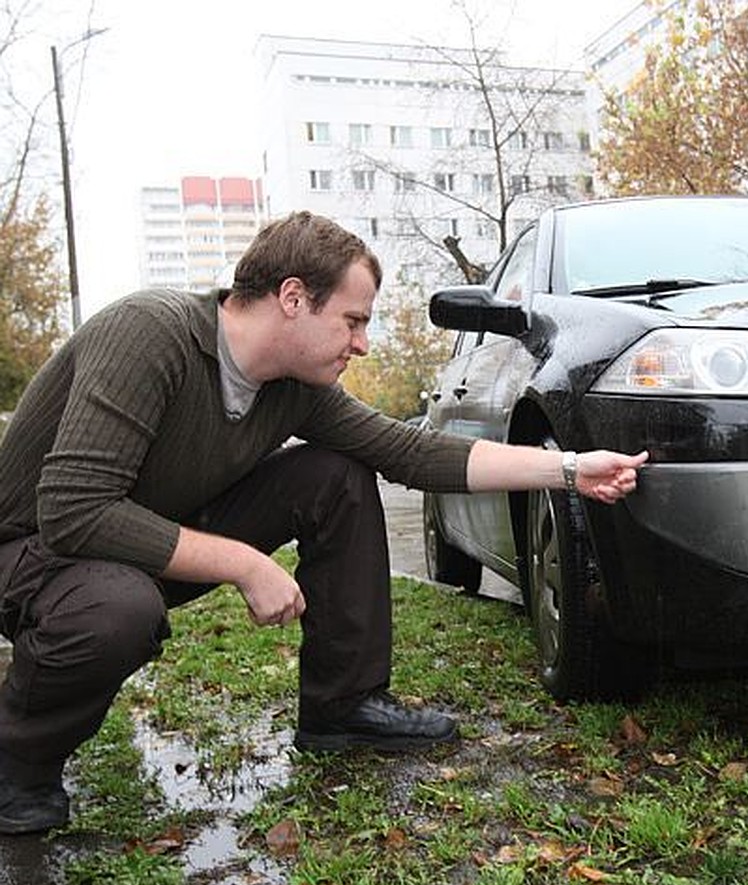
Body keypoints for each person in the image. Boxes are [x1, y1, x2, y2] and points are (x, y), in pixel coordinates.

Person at [0, 211, 647, 835]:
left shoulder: (292, 389)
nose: (362, 344)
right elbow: (73, 510)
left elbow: (411, 452)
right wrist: (245, 563)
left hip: (140, 541)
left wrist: (569, 468)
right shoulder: (150, 333)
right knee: (119, 608)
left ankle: (342, 707)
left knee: (334, 474)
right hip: (34, 554)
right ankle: (17, 766)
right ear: (292, 298)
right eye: (353, 320)